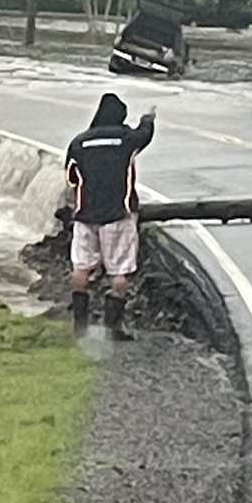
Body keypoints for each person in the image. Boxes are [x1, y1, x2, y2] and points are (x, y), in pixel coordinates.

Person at [64, 92, 156, 341]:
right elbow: (145, 135)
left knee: (81, 267)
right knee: (119, 272)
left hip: (85, 216)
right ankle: (111, 328)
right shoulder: (126, 139)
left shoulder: (79, 142)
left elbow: (71, 178)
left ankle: (80, 326)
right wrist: (148, 118)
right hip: (118, 215)